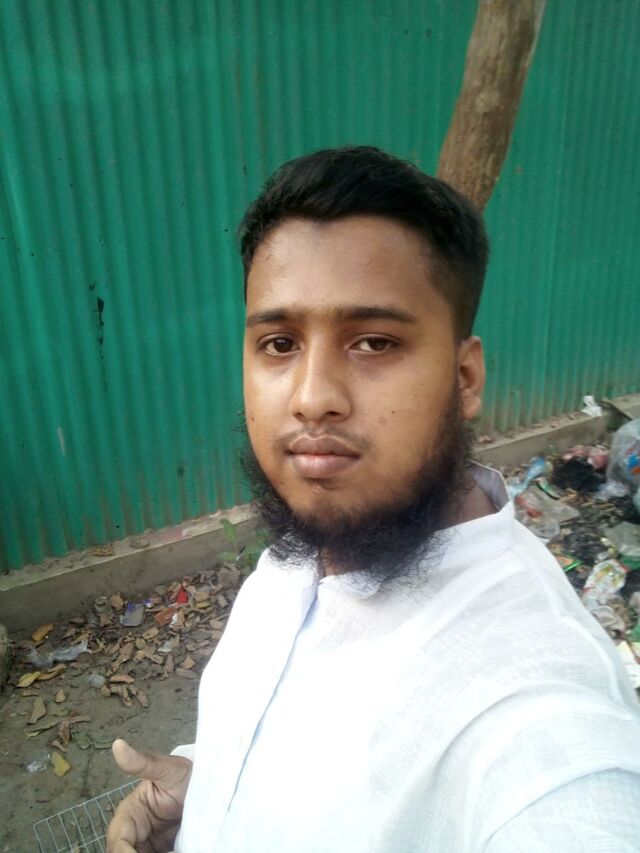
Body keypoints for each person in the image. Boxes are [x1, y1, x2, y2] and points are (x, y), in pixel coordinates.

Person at [107, 147, 640, 853]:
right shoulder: (313, 544)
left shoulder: (542, 718)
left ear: (465, 378)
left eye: (374, 342)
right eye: (279, 343)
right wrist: (210, 795)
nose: (311, 397)